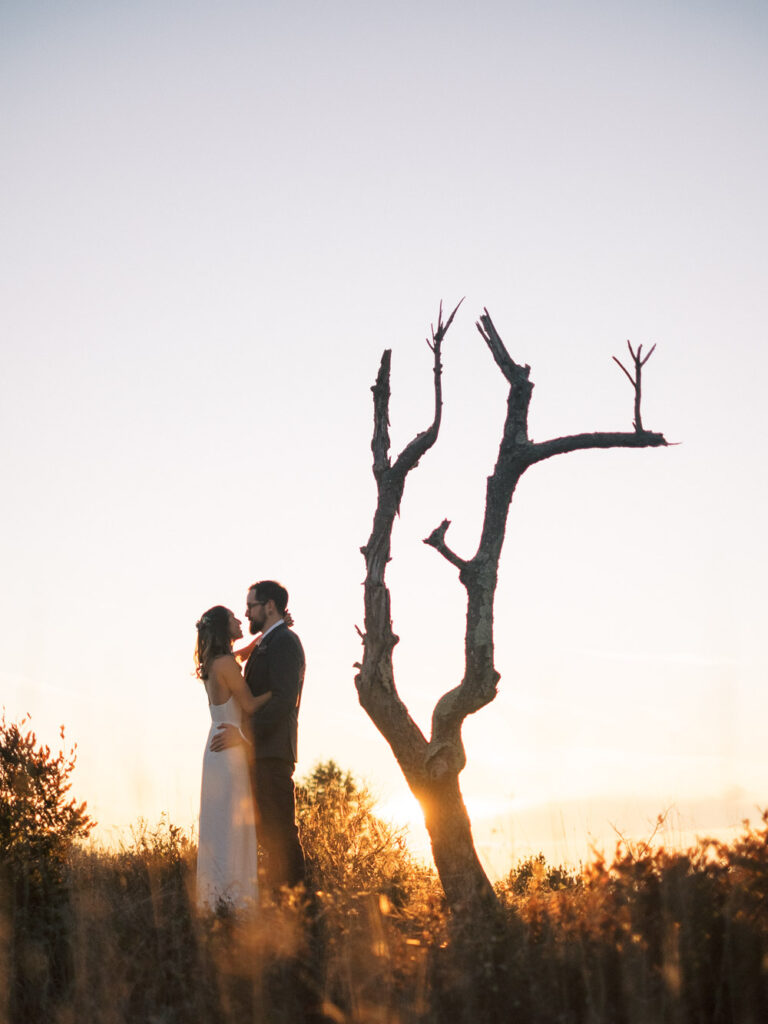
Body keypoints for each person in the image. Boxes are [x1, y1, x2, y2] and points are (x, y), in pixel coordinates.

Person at [212, 580, 306, 891]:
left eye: (251, 605)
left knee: (280, 834)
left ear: (269, 607)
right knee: (268, 837)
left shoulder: (285, 643)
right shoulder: (268, 641)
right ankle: (281, 907)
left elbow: (283, 699)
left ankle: (300, 909)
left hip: (273, 754)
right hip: (260, 755)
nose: (246, 612)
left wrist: (244, 736)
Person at [194, 604, 272, 910]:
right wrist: (280, 694)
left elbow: (241, 654)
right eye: (234, 619)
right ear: (225, 627)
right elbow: (251, 705)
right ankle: (233, 902)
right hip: (230, 750)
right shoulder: (225, 663)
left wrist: (261, 638)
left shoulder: (216, 661)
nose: (241, 621)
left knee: (221, 824)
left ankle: (218, 900)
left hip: (218, 745)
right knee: (232, 825)